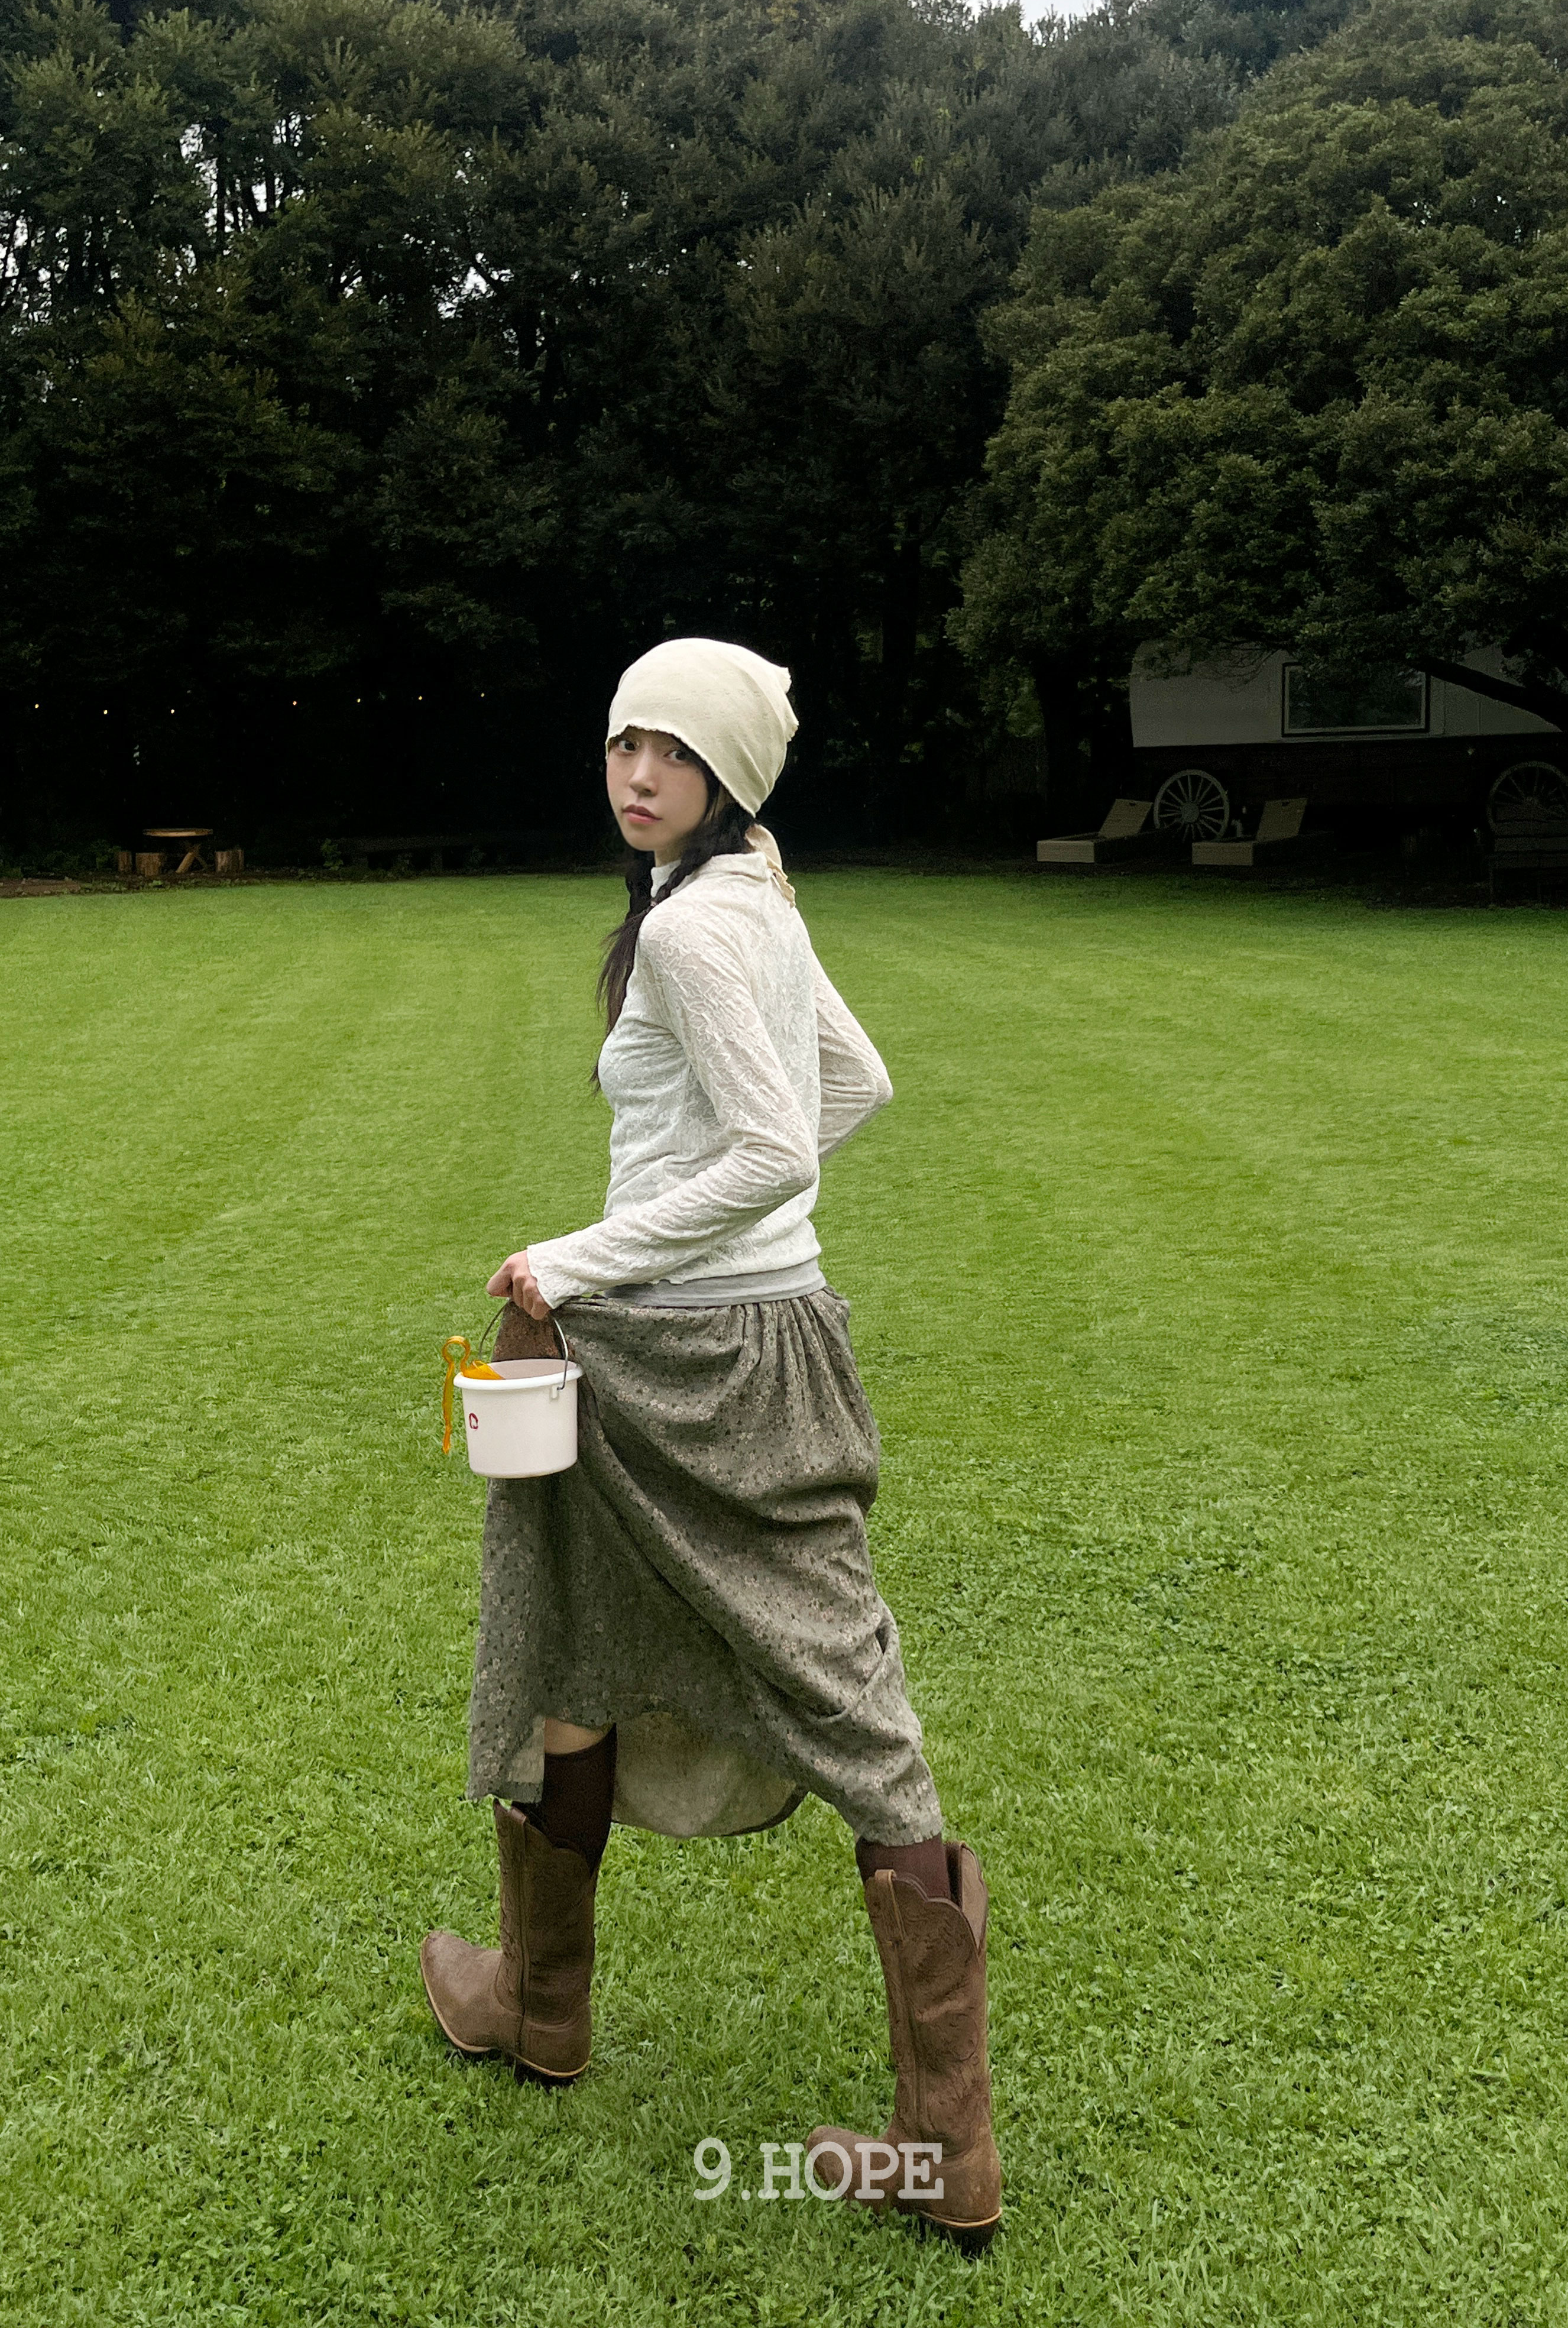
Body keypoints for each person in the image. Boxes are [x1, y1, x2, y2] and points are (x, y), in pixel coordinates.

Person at [419, 638, 1000, 2250]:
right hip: (758, 1338)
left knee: (769, 1681)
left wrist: (580, 1259)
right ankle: (541, 2003)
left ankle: (938, 2141)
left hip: (674, 1349)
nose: (638, 773)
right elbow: (852, 1087)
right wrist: (713, 1242)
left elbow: (774, 1145)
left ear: (729, 774)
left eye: (674, 750)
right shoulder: (754, 902)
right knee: (603, 1647)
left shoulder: (695, 929)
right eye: (625, 741)